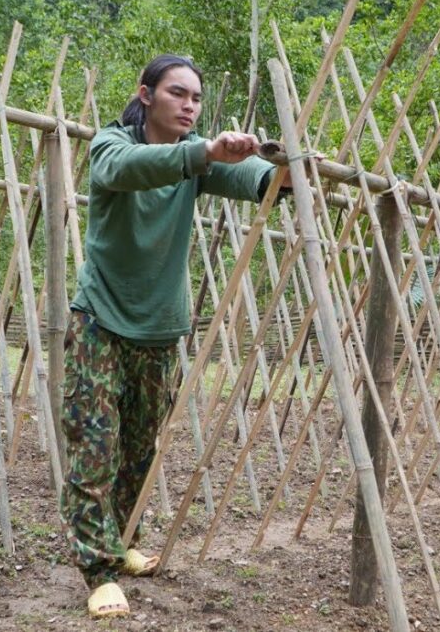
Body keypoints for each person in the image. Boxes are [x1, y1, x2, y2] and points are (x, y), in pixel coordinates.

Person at [60, 54, 292, 618]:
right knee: (95, 445)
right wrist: (206, 151)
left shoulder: (197, 158)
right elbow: (129, 170)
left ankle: (122, 539)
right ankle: (98, 570)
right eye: (177, 94)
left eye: (196, 98)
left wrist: (280, 173)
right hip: (100, 320)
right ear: (146, 95)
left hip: (160, 328)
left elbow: (252, 180)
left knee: (139, 448)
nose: (189, 106)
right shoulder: (112, 146)